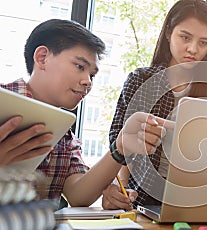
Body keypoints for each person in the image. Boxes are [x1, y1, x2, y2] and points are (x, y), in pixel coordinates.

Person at [0, 19, 169, 208]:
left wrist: (120, 147)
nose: (87, 81)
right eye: (80, 67)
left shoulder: (64, 133)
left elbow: (78, 195)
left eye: (92, 75)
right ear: (42, 58)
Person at [104, 0, 207, 210]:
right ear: (168, 33)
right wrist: (121, 190)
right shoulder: (141, 80)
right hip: (144, 198)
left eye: (203, 42)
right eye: (185, 37)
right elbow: (120, 146)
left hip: (197, 200)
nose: (193, 49)